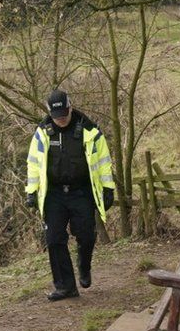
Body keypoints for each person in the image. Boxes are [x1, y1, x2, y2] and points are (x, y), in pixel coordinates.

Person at [25, 90, 116, 301]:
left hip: (81, 192)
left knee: (85, 235)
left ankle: (84, 264)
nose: (62, 120)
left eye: (65, 115)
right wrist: (31, 192)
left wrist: (108, 188)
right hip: (54, 194)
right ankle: (66, 287)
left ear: (71, 107)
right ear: (50, 113)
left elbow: (104, 162)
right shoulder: (42, 133)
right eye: (57, 117)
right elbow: (33, 164)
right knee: (54, 239)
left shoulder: (89, 130)